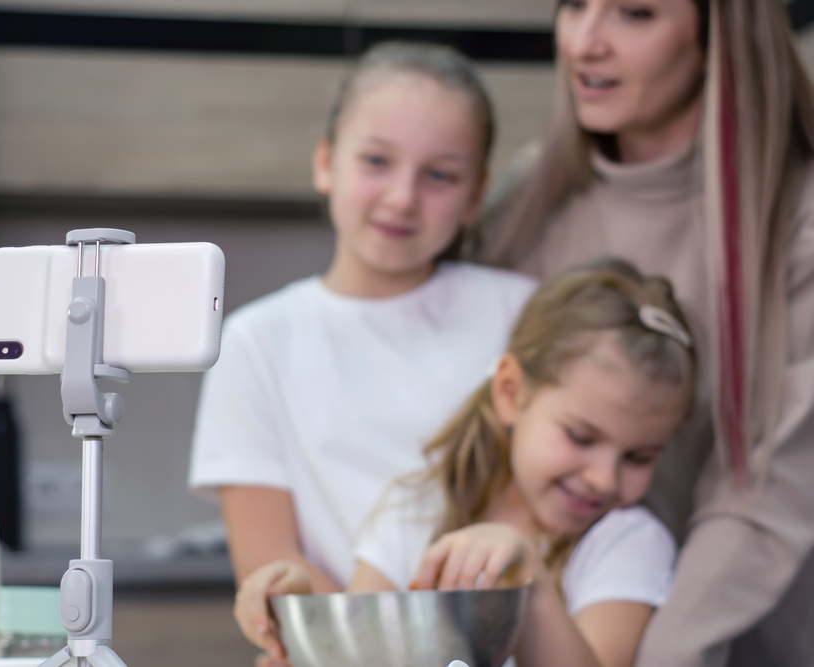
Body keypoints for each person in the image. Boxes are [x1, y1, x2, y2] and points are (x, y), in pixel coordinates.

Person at [468, 0, 814, 664]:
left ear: (720, 38)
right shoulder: (527, 201)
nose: (586, 42)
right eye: (574, 6)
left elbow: (765, 492)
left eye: (634, 13)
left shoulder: (797, 221)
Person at [187, 41, 536, 659]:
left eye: (440, 175)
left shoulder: (521, 315)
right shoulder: (256, 342)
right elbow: (272, 561)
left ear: (476, 194)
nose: (403, 197)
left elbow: (542, 507)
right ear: (326, 162)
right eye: (376, 160)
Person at [236, 259, 698, 667]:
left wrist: (528, 580)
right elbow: (364, 651)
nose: (604, 477)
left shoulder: (627, 543)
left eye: (639, 457)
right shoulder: (416, 508)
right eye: (580, 437)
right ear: (510, 392)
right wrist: (299, 618)